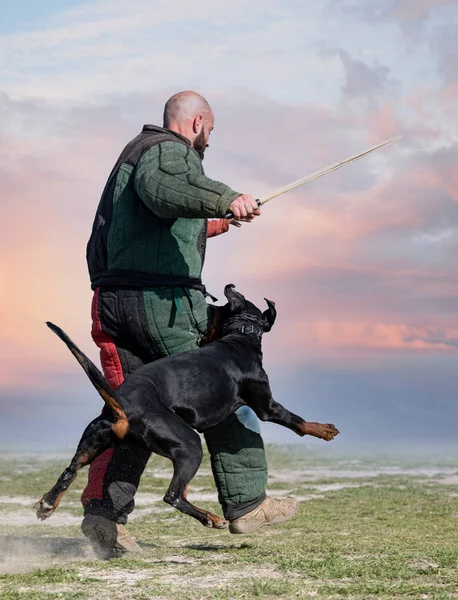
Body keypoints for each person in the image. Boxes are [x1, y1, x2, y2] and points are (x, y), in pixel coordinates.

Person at [82, 90, 297, 558]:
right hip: (161, 304)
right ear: (198, 122)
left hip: (114, 302)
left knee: (130, 413)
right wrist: (227, 197)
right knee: (225, 384)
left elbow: (158, 219)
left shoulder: (134, 159)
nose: (209, 143)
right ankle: (247, 502)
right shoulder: (165, 151)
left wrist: (216, 220)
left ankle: (103, 516)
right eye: (211, 132)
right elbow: (166, 191)